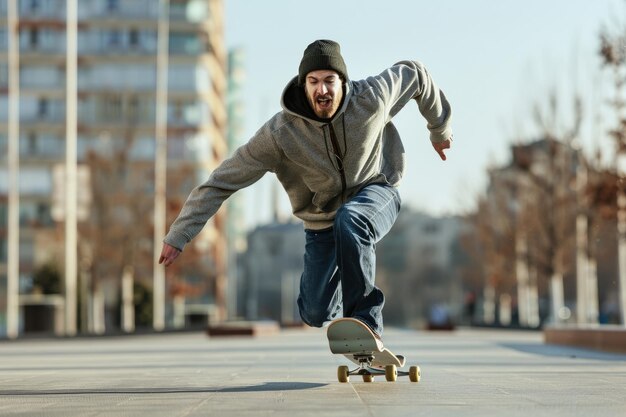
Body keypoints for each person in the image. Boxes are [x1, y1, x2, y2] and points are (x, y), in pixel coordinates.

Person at [159, 39, 453, 338]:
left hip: (377, 191)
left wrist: (439, 130)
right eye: (313, 82)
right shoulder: (280, 134)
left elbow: (416, 74)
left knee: (351, 219)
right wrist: (180, 233)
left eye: (329, 81)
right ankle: (342, 307)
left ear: (343, 82)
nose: (322, 90)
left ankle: (366, 324)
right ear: (304, 85)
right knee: (315, 312)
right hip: (321, 219)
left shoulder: (371, 97)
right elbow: (222, 180)